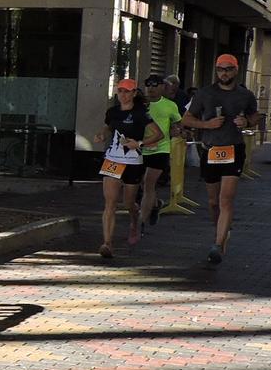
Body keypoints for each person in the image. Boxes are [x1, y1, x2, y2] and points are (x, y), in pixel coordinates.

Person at [180, 53, 259, 264]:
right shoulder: (205, 94)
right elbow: (186, 119)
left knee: (226, 199)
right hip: (211, 150)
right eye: (220, 69)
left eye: (227, 69)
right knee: (214, 201)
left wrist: (247, 122)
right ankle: (221, 231)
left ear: (236, 70)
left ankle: (218, 243)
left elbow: (255, 115)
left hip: (234, 149)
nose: (223, 73)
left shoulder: (246, 95)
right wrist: (207, 125)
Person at [96, 78, 162, 258]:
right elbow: (109, 126)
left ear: (134, 93)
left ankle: (135, 219)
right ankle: (107, 243)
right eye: (120, 91)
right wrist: (102, 134)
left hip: (133, 162)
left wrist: (139, 143)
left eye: (127, 91)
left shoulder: (141, 113)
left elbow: (159, 134)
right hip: (112, 159)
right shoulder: (113, 112)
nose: (123, 95)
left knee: (127, 203)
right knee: (110, 203)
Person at [138, 76, 182, 230]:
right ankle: (156, 205)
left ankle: (141, 222)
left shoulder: (170, 105)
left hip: (161, 149)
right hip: (139, 148)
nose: (151, 88)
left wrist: (176, 130)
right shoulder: (140, 104)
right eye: (148, 85)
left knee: (148, 183)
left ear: (163, 87)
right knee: (142, 185)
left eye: (155, 85)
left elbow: (178, 125)